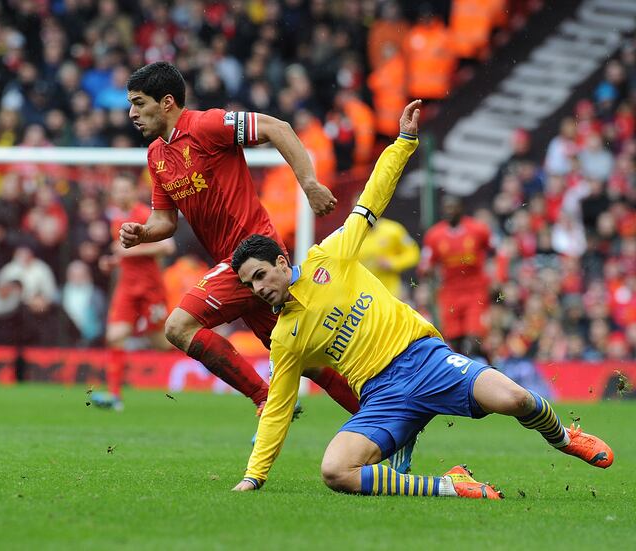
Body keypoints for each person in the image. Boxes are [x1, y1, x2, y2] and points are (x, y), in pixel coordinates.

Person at [230, 100, 614, 498]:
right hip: (381, 396)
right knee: (335, 470)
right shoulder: (286, 337)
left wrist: (403, 143)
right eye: (249, 286)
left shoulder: (328, 258)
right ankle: (449, 486)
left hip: (424, 359)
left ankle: (565, 437)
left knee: (514, 398)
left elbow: (372, 199)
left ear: (280, 261)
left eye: (259, 276)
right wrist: (254, 475)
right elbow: (277, 409)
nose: (258, 289)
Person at [120, 61, 359, 417]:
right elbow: (164, 221)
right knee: (306, 359)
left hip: (254, 252)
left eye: (139, 103)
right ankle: (384, 419)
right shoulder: (156, 155)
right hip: (234, 266)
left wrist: (309, 183)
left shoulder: (206, 125)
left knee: (178, 326)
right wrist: (143, 233)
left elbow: (278, 127)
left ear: (167, 102)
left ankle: (267, 398)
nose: (131, 113)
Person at [105, 172, 175, 409]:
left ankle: (203, 367)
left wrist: (128, 251)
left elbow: (167, 246)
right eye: (118, 190)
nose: (122, 194)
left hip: (150, 288)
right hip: (127, 287)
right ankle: (115, 396)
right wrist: (113, 261)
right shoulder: (115, 219)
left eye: (126, 189)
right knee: (115, 336)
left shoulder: (144, 214)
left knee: (162, 342)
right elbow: (124, 252)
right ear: (112, 194)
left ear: (134, 192)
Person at [419, 194, 492, 357]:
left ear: (462, 208)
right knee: (455, 342)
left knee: (474, 340)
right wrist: (426, 270)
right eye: (446, 208)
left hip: (475, 291)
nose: (449, 211)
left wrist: (496, 277)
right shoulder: (434, 235)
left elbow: (495, 251)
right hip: (450, 293)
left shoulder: (478, 230)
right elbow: (426, 263)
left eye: (453, 207)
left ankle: (489, 368)